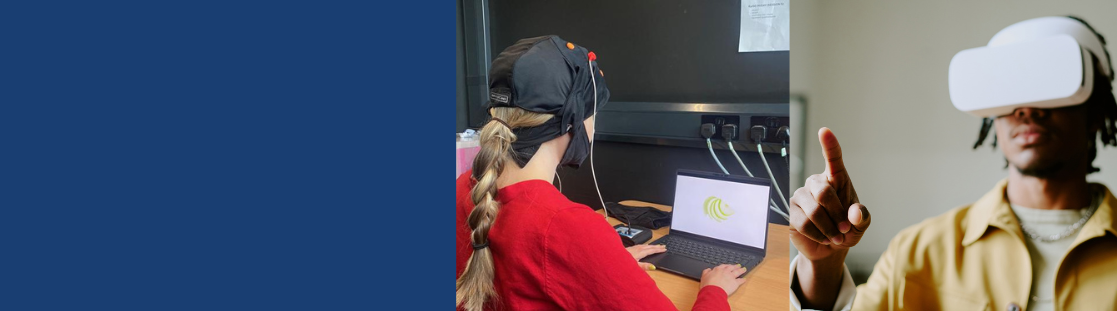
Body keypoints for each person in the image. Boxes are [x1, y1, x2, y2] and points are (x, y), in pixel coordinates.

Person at [789, 16, 1117, 310]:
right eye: (1009, 90)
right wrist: (822, 267)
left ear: (1097, 111)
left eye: (1051, 86)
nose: (1026, 109)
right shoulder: (917, 251)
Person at [455, 35, 747, 311]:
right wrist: (714, 290)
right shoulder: (565, 227)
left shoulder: (462, 189)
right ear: (572, 121)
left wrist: (604, 266)